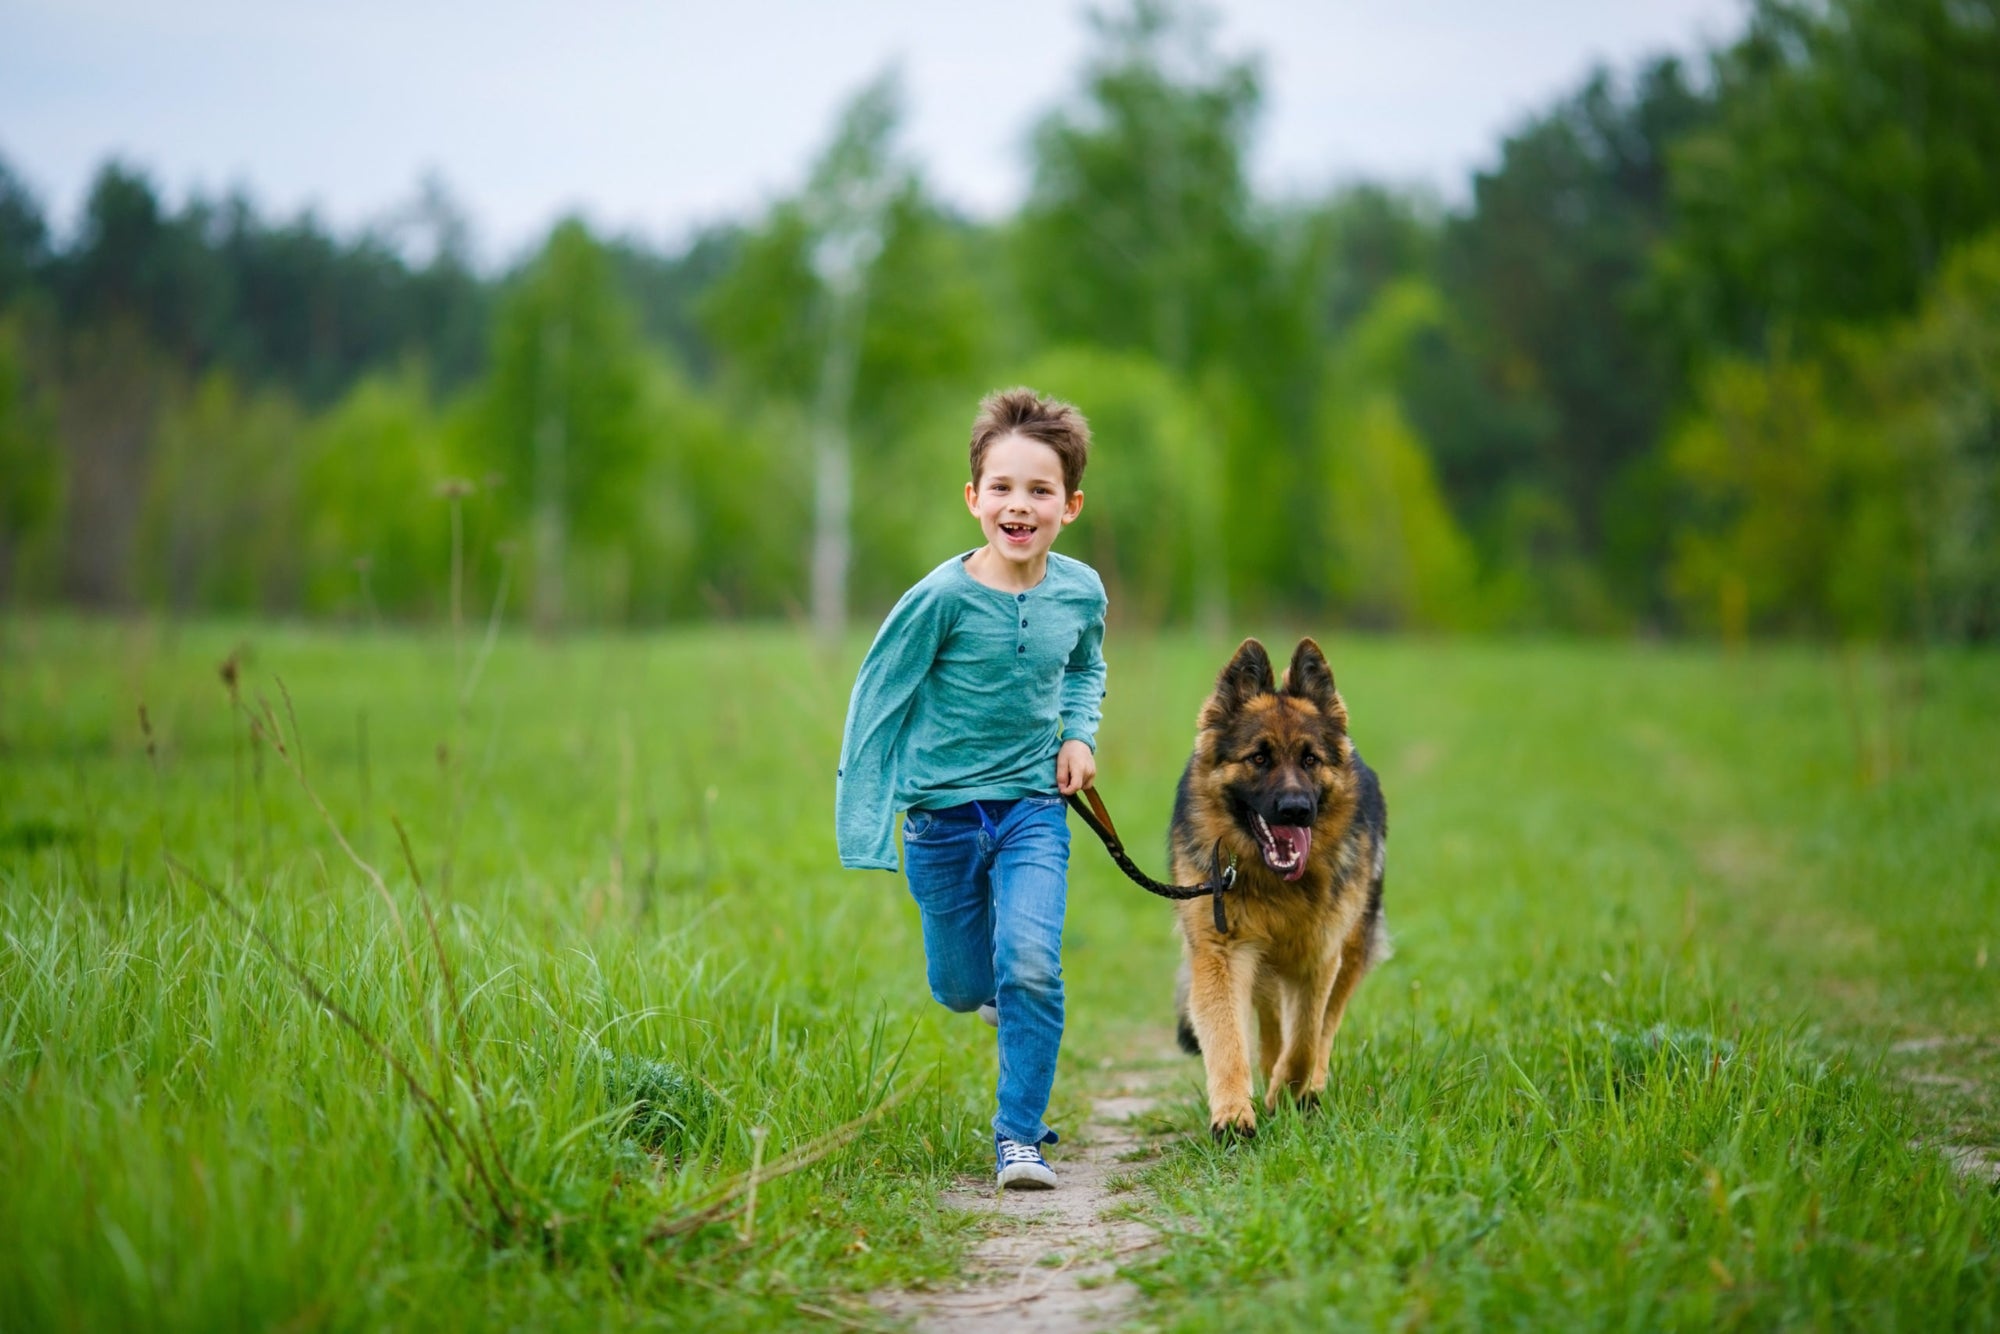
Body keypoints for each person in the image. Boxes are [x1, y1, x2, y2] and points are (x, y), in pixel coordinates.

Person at [835, 386, 1107, 1190]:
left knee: (1031, 961)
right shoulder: (941, 600)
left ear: (1071, 505)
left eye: (1039, 490)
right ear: (973, 498)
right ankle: (989, 991)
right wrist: (866, 822)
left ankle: (1019, 1137)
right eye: (1002, 488)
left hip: (1032, 810)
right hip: (941, 822)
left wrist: (1078, 735)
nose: (1019, 506)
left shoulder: (1080, 591)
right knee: (961, 984)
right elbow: (876, 697)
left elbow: (1085, 666)